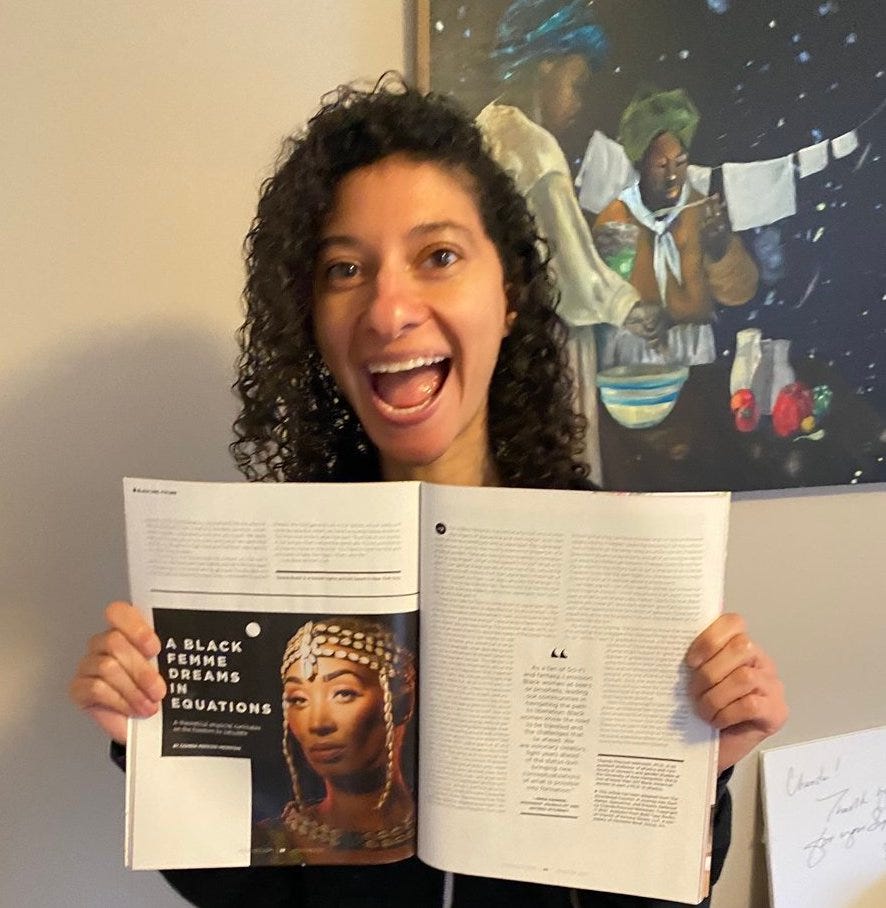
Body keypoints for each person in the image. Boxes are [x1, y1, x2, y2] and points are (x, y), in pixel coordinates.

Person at [69, 77, 787, 907]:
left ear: (510, 294)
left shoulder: (615, 562)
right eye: (345, 268)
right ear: (311, 316)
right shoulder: (274, 578)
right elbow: (253, 894)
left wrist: (705, 764)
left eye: (438, 256)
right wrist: (149, 741)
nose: (388, 308)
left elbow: (662, 897)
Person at [476, 0, 643, 485]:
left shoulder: (484, 129)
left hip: (503, 339)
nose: (578, 103)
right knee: (566, 461)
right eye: (577, 84)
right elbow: (574, 271)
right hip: (553, 338)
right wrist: (627, 307)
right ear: (545, 64)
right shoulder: (536, 149)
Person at [594, 87, 759, 369]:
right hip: (633, 359)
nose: (672, 176)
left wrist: (722, 251)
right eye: (660, 165)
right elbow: (601, 294)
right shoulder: (617, 217)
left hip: (697, 355)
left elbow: (741, 293)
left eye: (680, 162)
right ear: (640, 164)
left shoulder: (701, 212)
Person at [254, 618, 416, 866]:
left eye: (343, 693)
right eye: (298, 699)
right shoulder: (263, 843)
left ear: (403, 701)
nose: (317, 723)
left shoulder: (440, 829)